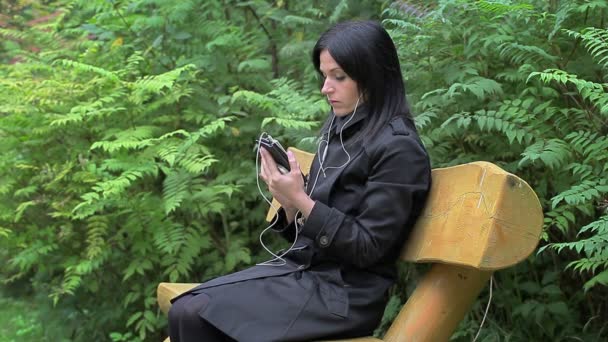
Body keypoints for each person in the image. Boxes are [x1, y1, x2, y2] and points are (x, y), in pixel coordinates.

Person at [168, 20, 431, 342]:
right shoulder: (342, 128)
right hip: (304, 274)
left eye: (339, 77)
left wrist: (301, 200)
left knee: (194, 313)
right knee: (187, 307)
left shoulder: (399, 148)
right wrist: (290, 203)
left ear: (373, 75)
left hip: (343, 296)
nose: (325, 88)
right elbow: (312, 236)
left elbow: (368, 247)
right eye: (324, 76)